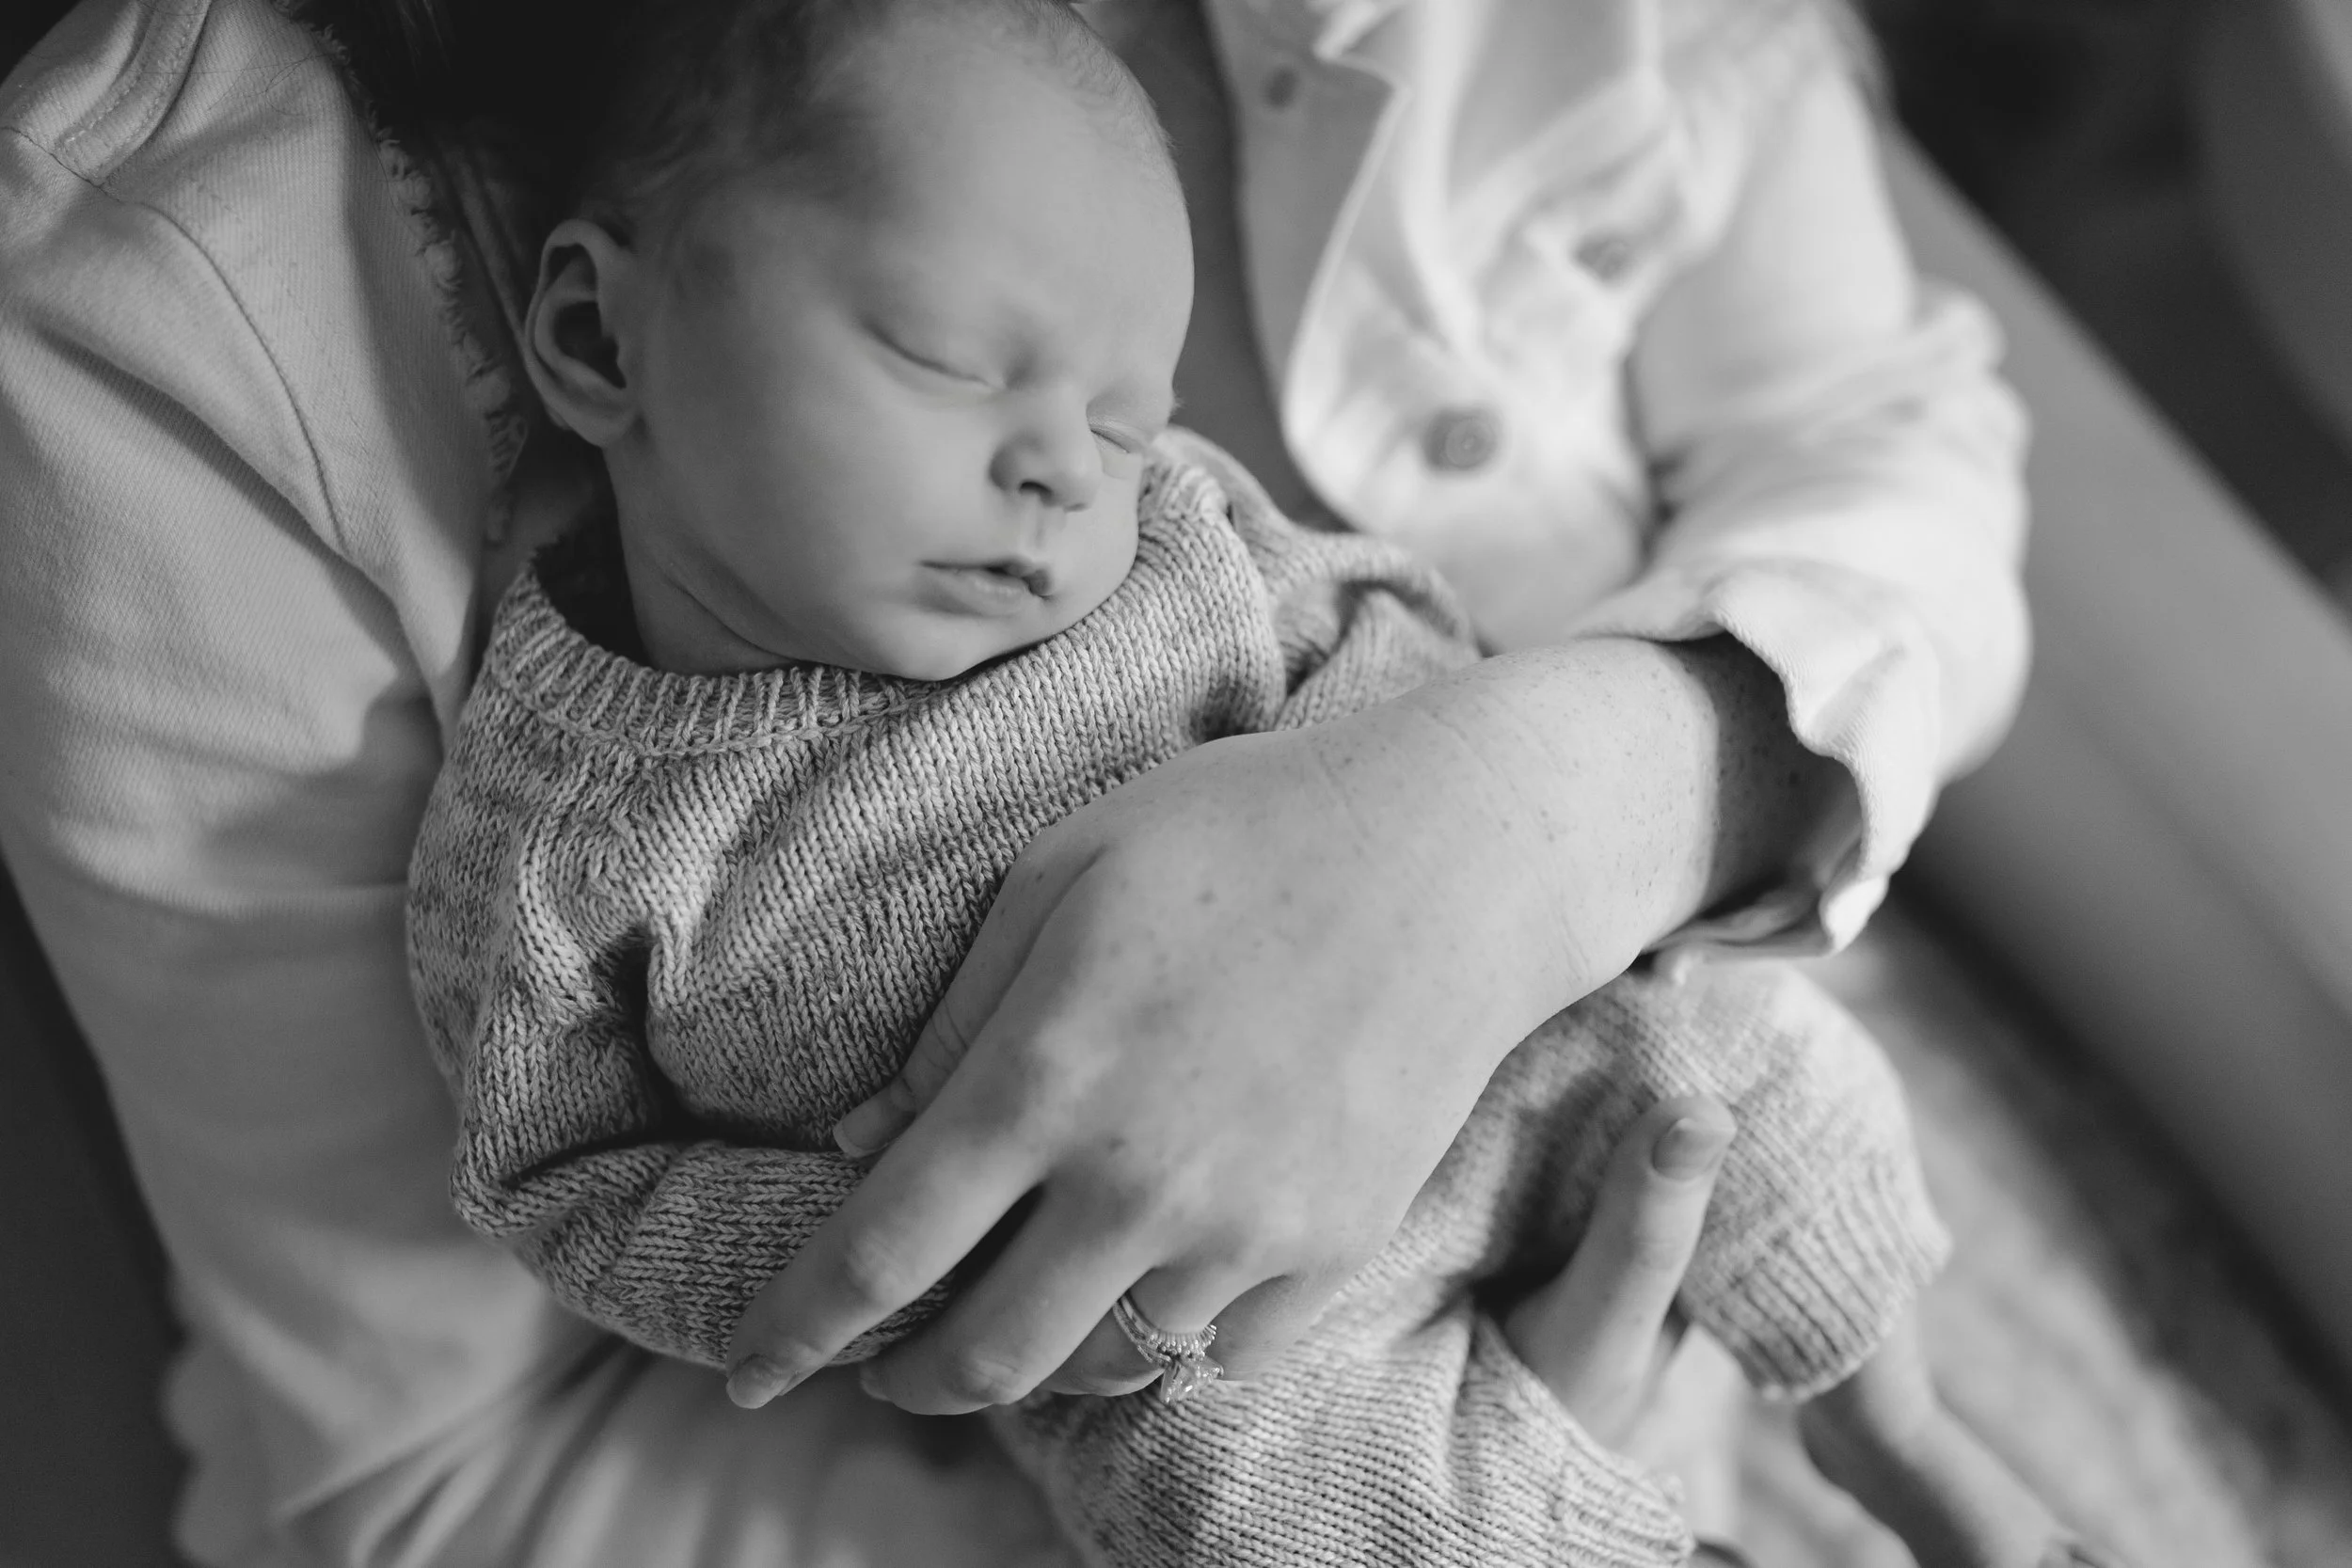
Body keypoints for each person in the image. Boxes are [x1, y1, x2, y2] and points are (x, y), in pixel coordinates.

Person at [0, 0, 2043, 1563]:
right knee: (1261, 1488)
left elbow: (1379, 609)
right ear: (591, 336)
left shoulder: (1157, 535)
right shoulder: (569, 818)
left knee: (1762, 1072)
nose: (1071, 466)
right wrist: (858, 1252)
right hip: (1190, 1340)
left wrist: (1552, 802)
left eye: (1124, 411)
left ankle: (1903, 1424)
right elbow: (533, 1211)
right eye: (944, 358)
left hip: (1572, 1007)